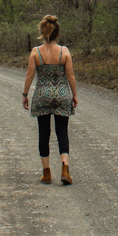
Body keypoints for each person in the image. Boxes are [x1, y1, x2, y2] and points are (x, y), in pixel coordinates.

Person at [22, 15, 77, 185]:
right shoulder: (65, 52)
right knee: (62, 133)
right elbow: (70, 75)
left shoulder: (35, 52)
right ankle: (65, 168)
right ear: (58, 34)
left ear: (43, 33)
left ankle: (46, 173)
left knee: (43, 133)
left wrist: (25, 95)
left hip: (42, 96)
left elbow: (30, 74)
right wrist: (74, 94)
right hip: (61, 94)